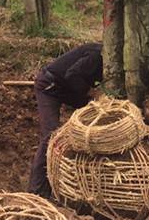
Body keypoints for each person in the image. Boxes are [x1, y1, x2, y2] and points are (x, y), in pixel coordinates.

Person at [28, 42, 103, 198]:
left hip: (67, 88)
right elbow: (72, 74)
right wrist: (91, 92)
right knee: (51, 135)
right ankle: (36, 190)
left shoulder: (114, 62)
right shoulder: (97, 55)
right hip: (50, 86)